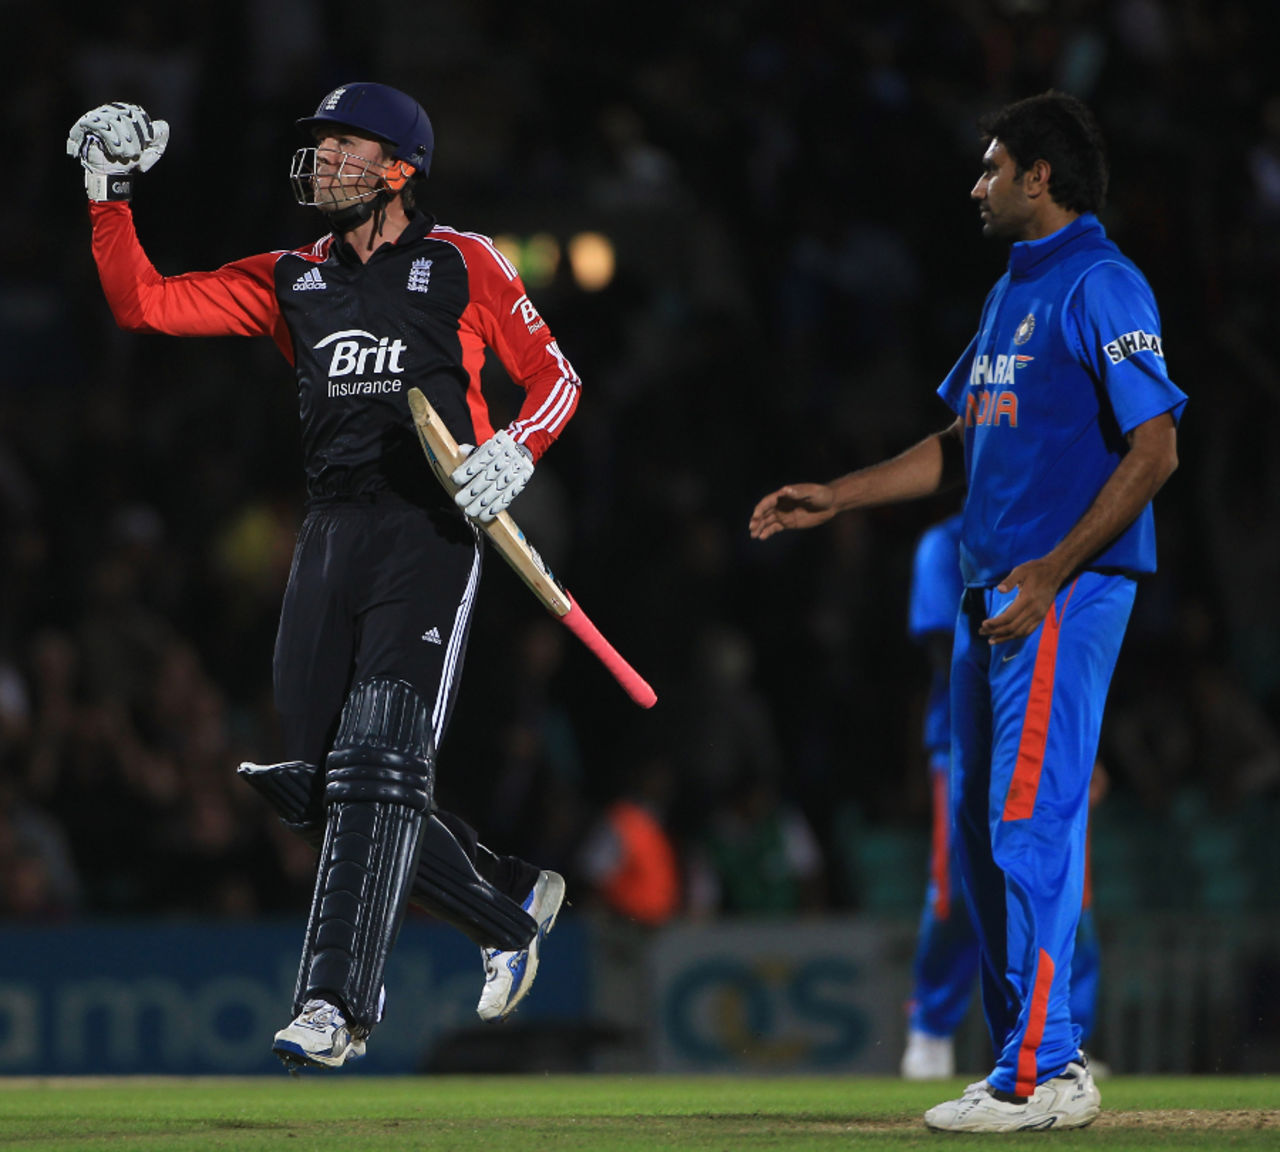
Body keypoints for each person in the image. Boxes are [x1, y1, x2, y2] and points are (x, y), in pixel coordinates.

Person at [67, 84, 580, 1070]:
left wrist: (518, 447)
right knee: (315, 785)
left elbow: (556, 377)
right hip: (330, 533)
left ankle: (334, 1004)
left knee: (375, 760)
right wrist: (107, 194)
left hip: (430, 529)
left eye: (348, 146)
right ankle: (506, 902)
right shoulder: (290, 278)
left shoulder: (463, 261)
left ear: (401, 169)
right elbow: (144, 303)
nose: (327, 161)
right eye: (322, 145)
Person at [750, 90, 1185, 1132]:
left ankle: (1040, 1074)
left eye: (991, 167)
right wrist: (838, 495)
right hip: (987, 594)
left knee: (1027, 823)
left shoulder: (1102, 282)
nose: (976, 184)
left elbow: (1157, 448)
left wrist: (1051, 571)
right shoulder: (1010, 291)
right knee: (984, 843)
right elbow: (959, 443)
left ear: (1040, 176)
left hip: (1055, 594)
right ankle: (1028, 1060)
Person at [900, 512, 1102, 1081]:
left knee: (1066, 885)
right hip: (965, 736)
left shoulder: (1054, 534)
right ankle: (932, 1026)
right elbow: (950, 645)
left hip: (1045, 728)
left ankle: (1066, 1034)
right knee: (957, 888)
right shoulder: (942, 544)